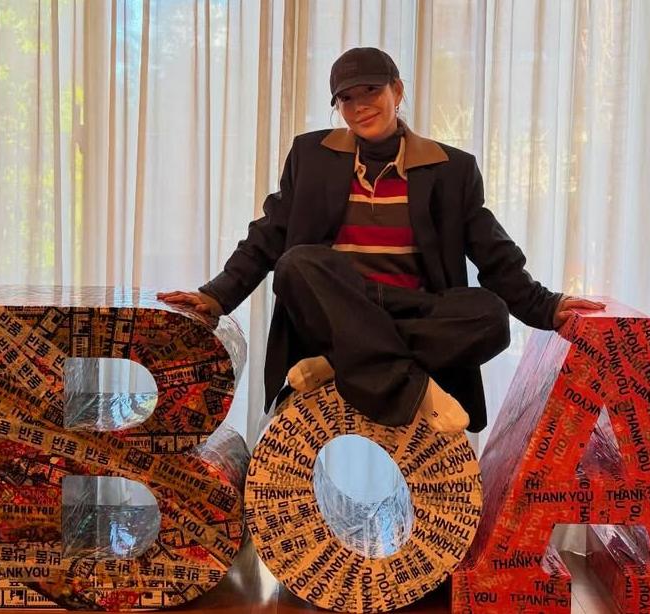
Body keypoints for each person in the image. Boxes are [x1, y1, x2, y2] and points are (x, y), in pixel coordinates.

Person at [158, 47, 603, 435]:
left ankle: (341, 361)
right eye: (346, 98)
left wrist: (548, 306)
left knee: (490, 317)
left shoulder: (452, 170)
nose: (359, 106)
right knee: (297, 263)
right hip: (336, 308)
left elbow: (494, 254)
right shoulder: (311, 156)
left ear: (397, 90)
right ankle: (413, 386)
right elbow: (269, 233)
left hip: (411, 307)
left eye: (371, 91)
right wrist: (215, 296)